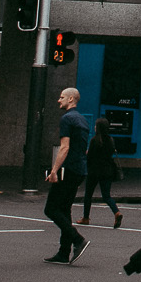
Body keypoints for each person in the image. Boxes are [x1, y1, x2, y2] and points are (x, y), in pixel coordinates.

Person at [43, 86, 89, 264]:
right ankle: (64, 252)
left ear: (71, 99)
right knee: (64, 209)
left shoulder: (67, 119)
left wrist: (54, 170)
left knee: (51, 209)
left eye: (62, 97)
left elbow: (65, 147)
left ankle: (77, 239)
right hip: (80, 169)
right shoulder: (82, 120)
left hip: (68, 170)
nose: (58, 100)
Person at [83, 117, 124, 227]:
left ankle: (86, 217)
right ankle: (116, 212)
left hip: (94, 172)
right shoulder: (110, 140)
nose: (95, 127)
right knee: (106, 196)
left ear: (98, 128)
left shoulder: (94, 140)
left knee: (88, 195)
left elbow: (90, 157)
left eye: (96, 125)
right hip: (107, 171)